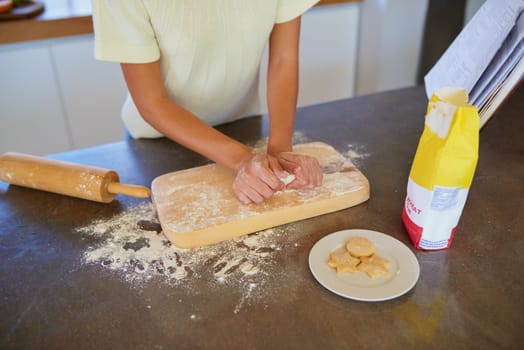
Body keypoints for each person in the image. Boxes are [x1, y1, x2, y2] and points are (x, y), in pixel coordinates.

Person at [91, 0, 323, 204]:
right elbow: (152, 103)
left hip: (240, 126)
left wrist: (281, 151)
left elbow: (284, 60)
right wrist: (242, 160)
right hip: (159, 142)